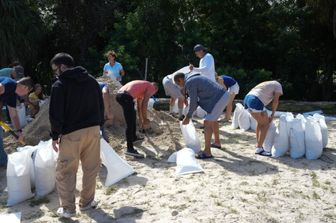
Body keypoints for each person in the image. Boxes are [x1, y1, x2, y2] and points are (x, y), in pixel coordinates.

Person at [49, 53, 104, 218]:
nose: (55, 73)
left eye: (55, 69)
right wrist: (99, 126)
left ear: (63, 66)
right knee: (91, 168)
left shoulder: (60, 85)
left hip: (72, 133)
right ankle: (87, 203)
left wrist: (54, 135)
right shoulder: (92, 81)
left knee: (66, 170)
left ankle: (68, 209)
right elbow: (100, 104)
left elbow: (55, 114)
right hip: (93, 130)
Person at [174, 73, 229, 159]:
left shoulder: (189, 82)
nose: (180, 87)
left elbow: (193, 102)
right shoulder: (195, 78)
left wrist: (188, 117)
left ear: (180, 80)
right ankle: (217, 142)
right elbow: (196, 102)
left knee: (207, 122)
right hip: (222, 96)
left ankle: (207, 152)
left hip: (219, 98)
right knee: (212, 120)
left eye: (178, 84)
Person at [116, 80, 158, 158]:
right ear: (155, 89)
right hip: (126, 97)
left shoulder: (141, 87)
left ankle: (134, 138)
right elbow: (145, 104)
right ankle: (130, 149)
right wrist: (145, 119)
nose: (151, 94)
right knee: (130, 123)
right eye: (153, 93)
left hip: (120, 95)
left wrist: (142, 120)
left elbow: (139, 107)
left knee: (133, 116)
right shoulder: (151, 87)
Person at [0, 76, 33, 168]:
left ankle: (4, 163)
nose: (25, 95)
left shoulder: (12, 94)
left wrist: (19, 131)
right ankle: (4, 162)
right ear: (25, 87)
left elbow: (13, 114)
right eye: (28, 92)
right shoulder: (10, 84)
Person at [244, 80, 283, 156]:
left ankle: (258, 144)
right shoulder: (278, 85)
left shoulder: (268, 83)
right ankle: (259, 148)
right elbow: (275, 101)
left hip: (247, 99)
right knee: (266, 124)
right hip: (255, 101)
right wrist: (272, 114)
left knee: (260, 122)